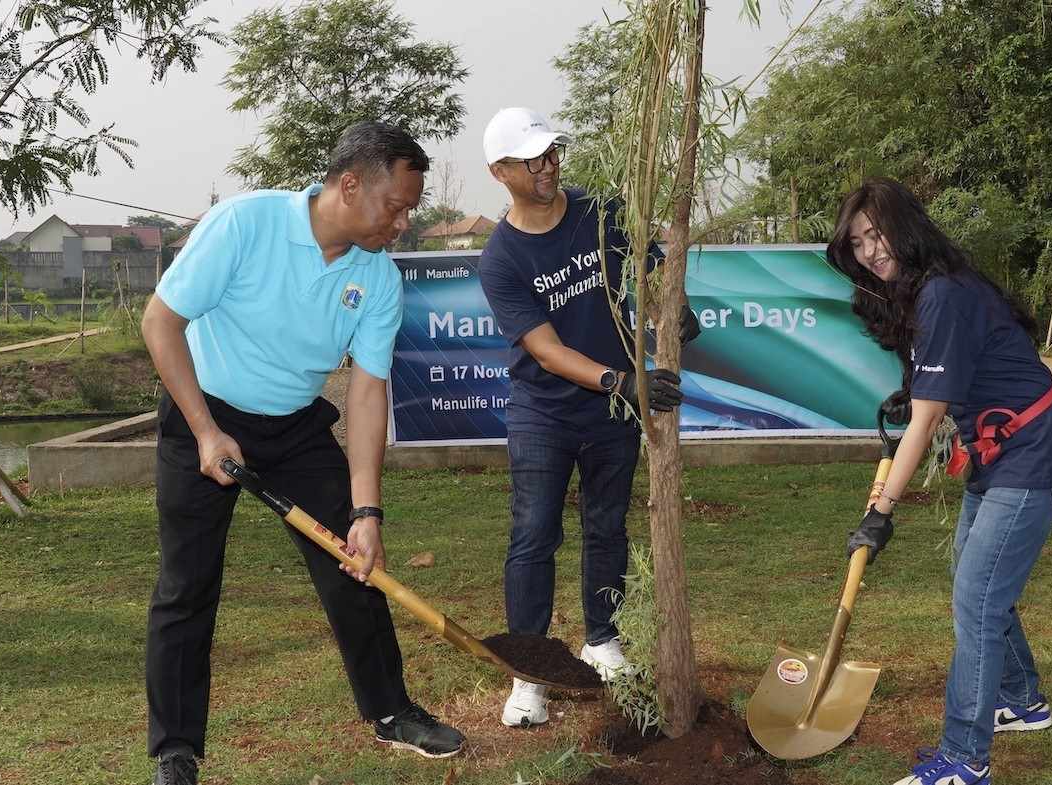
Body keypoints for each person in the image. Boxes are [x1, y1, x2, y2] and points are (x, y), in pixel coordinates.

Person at [141, 122, 465, 785]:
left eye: (410, 208)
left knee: (354, 564)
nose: (402, 223)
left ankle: (390, 711)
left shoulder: (376, 277)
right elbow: (160, 322)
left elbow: (368, 393)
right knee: (187, 585)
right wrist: (205, 430)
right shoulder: (244, 225)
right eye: (396, 205)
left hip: (294, 427)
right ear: (349, 185)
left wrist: (367, 510)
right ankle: (176, 749)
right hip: (204, 412)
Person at [829, 177, 1052, 785]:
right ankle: (1023, 701)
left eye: (876, 232)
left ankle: (964, 759)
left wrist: (881, 510)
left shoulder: (943, 293)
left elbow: (927, 422)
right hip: (1002, 447)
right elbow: (948, 381)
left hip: (1033, 450)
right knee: (976, 580)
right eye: (858, 242)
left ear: (906, 225)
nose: (870, 250)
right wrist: (914, 388)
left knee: (977, 596)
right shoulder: (928, 293)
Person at [477, 107, 699, 728]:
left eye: (551, 152)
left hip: (613, 413)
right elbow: (544, 349)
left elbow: (651, 276)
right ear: (500, 172)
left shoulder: (601, 212)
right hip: (544, 415)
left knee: (607, 525)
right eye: (531, 159)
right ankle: (529, 673)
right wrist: (621, 381)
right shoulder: (501, 259)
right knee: (534, 535)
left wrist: (669, 312)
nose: (548, 166)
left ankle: (602, 641)